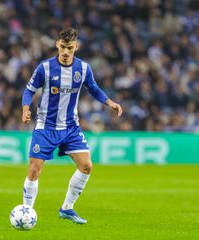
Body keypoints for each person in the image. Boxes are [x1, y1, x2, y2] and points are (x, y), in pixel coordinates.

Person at [21, 27, 123, 224]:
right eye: (62, 47)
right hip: (46, 127)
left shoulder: (83, 68)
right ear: (57, 45)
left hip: (70, 127)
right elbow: (29, 90)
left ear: (75, 47)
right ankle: (26, 211)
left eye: (70, 48)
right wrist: (26, 108)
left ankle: (67, 208)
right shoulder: (45, 68)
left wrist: (109, 102)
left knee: (86, 166)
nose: (66, 52)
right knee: (34, 170)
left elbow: (93, 88)